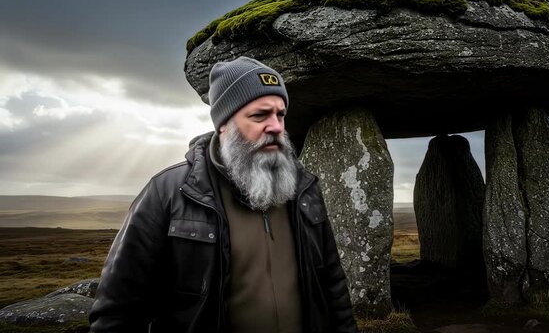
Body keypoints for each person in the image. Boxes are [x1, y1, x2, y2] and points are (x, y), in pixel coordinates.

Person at [89, 56, 357, 333]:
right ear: (224, 124)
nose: (276, 127)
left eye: (280, 114)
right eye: (259, 115)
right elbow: (117, 310)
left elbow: (334, 287)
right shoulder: (169, 192)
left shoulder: (303, 188)